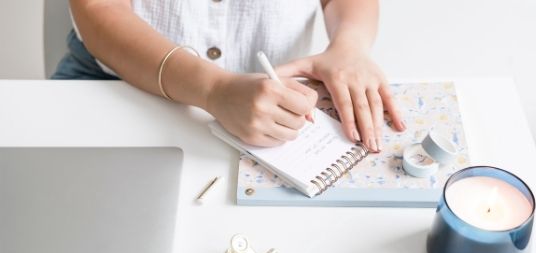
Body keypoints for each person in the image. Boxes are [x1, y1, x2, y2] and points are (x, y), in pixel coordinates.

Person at [53, 0, 406, 152]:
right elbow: (99, 8)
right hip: (114, 82)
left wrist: (350, 46)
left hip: (275, 104)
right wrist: (213, 89)